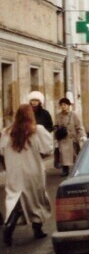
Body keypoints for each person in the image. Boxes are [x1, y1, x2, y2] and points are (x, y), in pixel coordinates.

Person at [0, 104, 55, 246]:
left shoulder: (6, 132)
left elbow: (1, 151)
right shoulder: (37, 131)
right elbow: (48, 149)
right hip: (33, 171)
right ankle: (37, 229)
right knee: (36, 199)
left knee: (16, 201)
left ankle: (9, 224)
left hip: (14, 173)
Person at [54, 97, 87, 176]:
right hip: (62, 139)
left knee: (75, 155)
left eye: (65, 105)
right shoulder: (58, 116)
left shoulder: (74, 115)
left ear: (68, 105)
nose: (63, 106)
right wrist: (55, 138)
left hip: (72, 138)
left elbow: (79, 126)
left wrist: (83, 136)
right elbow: (55, 126)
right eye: (61, 105)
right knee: (63, 155)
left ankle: (77, 170)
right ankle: (65, 170)